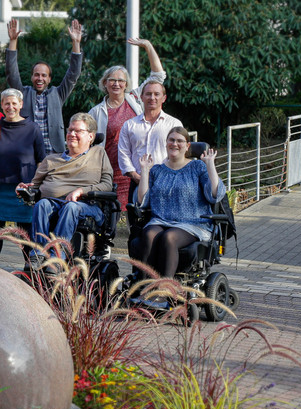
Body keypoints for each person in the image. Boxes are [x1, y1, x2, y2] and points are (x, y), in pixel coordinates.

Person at [133, 127, 225, 279]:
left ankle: (165, 288)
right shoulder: (157, 170)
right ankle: (145, 287)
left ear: (187, 146)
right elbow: (142, 201)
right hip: (161, 220)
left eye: (180, 141)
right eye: (171, 140)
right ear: (166, 143)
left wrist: (210, 165)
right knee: (148, 234)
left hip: (192, 223)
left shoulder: (197, 167)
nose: (175, 144)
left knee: (169, 237)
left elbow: (215, 194)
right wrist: (144, 171)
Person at [16, 113, 113, 257]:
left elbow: (107, 185)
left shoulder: (98, 153)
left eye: (78, 131)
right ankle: (38, 253)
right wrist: (24, 189)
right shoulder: (51, 159)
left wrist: (81, 191)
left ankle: (58, 256)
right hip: (53, 203)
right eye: (70, 130)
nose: (72, 134)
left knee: (71, 207)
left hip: (87, 205)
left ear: (91, 136)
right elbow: (34, 186)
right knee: (41, 204)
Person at [88, 38, 166, 210]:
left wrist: (147, 46)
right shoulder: (96, 111)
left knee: (137, 207)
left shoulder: (136, 98)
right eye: (112, 80)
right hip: (110, 167)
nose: (116, 83)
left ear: (126, 84)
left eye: (121, 80)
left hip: (137, 166)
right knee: (111, 210)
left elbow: (159, 76)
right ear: (105, 83)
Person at [0, 88, 45, 264]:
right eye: (7, 103)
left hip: (23, 192)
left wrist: (36, 188)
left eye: (14, 103)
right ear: (2, 105)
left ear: (21, 105)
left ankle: (29, 270)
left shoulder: (33, 129)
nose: (10, 107)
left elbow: (41, 162)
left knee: (26, 235)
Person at [5, 17, 84, 154]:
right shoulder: (23, 94)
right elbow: (11, 73)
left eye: (43, 75)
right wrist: (13, 41)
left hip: (54, 154)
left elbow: (73, 74)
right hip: (29, 153)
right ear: (31, 77)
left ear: (49, 79)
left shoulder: (58, 94)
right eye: (36, 75)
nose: (39, 78)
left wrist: (76, 43)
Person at [118, 80, 179, 190]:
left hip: (168, 181)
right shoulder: (129, 125)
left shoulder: (174, 124)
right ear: (141, 97)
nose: (152, 97)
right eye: (148, 94)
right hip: (137, 183)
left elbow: (180, 152)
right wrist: (136, 176)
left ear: (164, 98)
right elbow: (124, 153)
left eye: (156, 94)